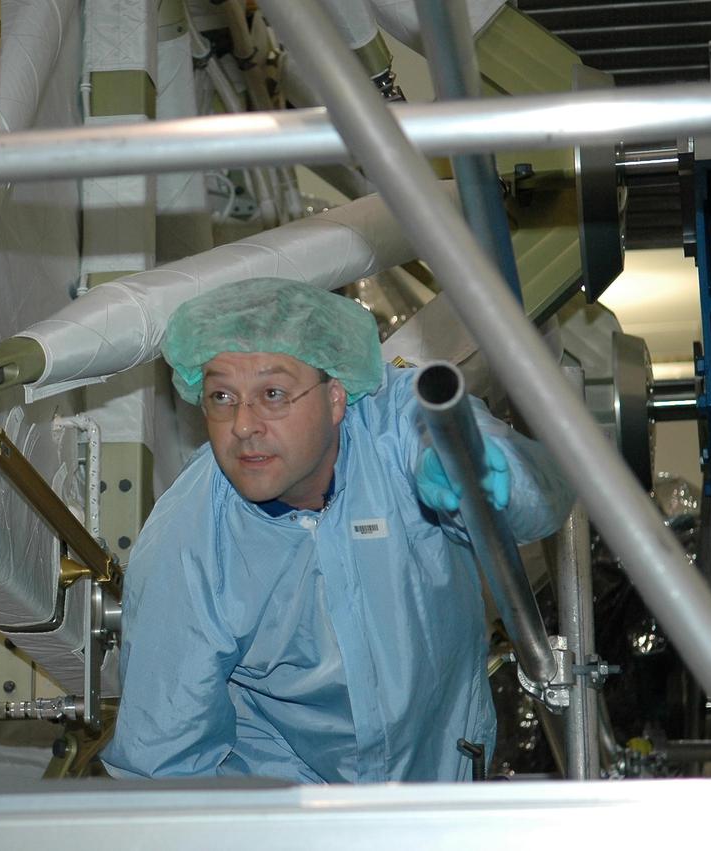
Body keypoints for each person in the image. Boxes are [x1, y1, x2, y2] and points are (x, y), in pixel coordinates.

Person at [100, 277, 574, 782]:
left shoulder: (402, 428)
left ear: (335, 397)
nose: (242, 425)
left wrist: (489, 475)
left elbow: (545, 502)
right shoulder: (189, 542)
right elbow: (164, 765)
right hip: (293, 816)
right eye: (221, 397)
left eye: (273, 393)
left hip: (445, 783)